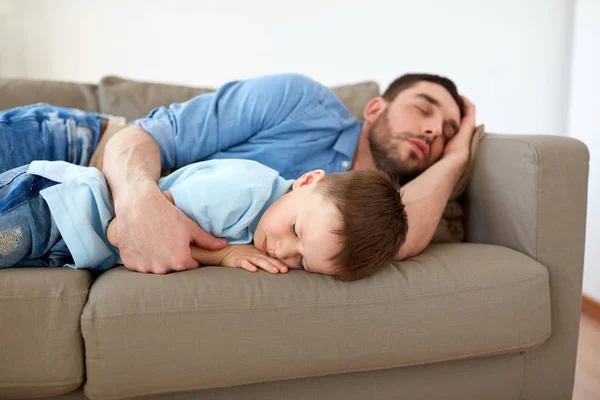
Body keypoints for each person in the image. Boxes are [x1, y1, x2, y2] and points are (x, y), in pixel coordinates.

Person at [0, 72, 476, 274]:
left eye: (449, 130)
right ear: (375, 107)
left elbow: (404, 236)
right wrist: (139, 202)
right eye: (424, 108)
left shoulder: (363, 217)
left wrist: (457, 158)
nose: (435, 129)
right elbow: (140, 139)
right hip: (81, 145)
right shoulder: (299, 100)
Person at [0, 158, 408, 281]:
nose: (283, 251)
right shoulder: (242, 191)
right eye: (296, 231)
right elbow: (147, 223)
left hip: (70, 248)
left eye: (302, 261)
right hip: (56, 208)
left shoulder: (268, 222)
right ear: (306, 181)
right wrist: (225, 255)